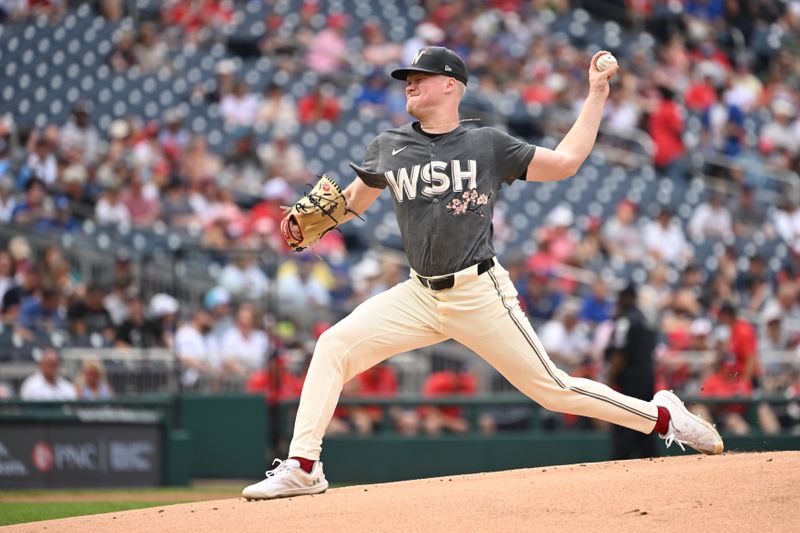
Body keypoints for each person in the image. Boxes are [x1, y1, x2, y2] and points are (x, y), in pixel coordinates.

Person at [242, 47, 723, 500]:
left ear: (451, 86)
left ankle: (662, 417)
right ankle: (304, 467)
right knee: (333, 346)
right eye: (406, 79)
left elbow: (567, 162)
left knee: (554, 390)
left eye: (419, 78)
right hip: (418, 293)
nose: (409, 84)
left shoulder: (486, 143)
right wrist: (316, 220)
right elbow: (351, 202)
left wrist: (596, 93)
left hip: (479, 291)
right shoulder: (389, 145)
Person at [605, 284, 658, 460]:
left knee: (625, 424)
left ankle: (621, 466)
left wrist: (610, 380)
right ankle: (652, 466)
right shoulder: (645, 318)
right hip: (647, 377)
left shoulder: (625, 321)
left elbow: (619, 354)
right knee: (647, 422)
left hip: (630, 382)